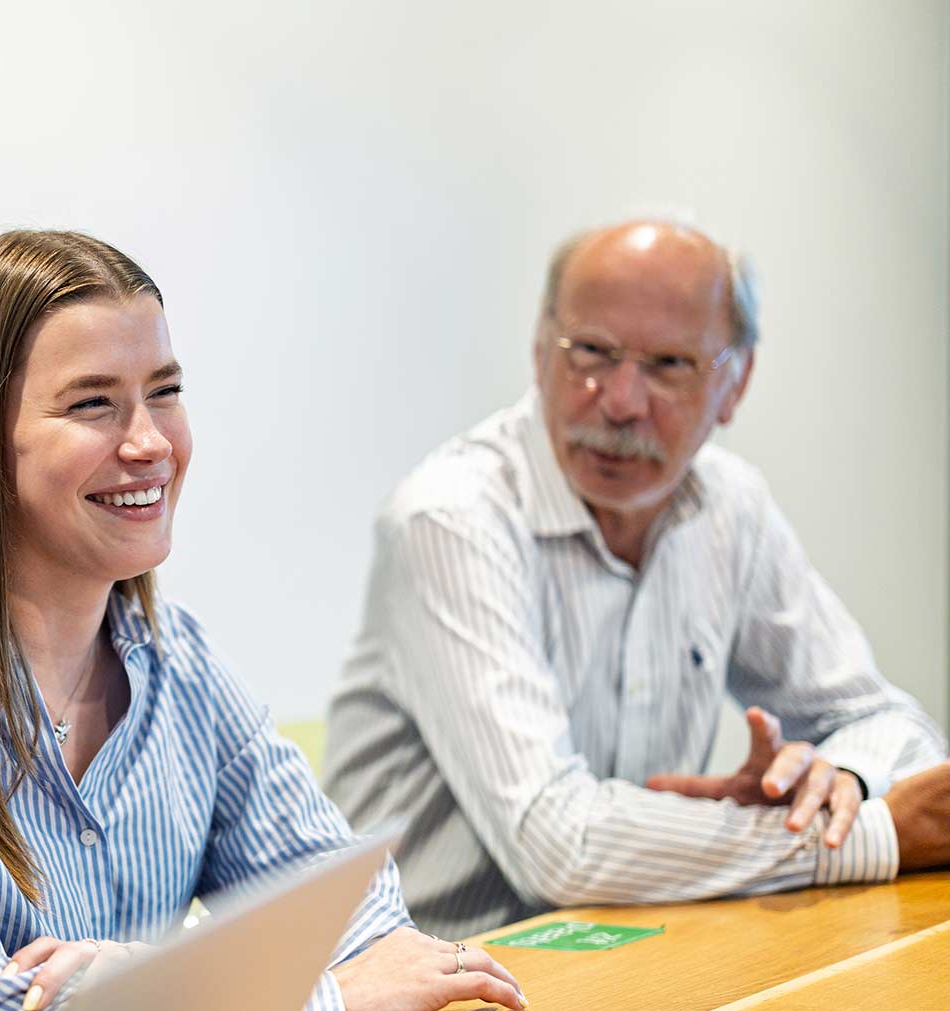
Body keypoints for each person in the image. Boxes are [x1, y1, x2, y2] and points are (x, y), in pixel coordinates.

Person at [0, 229, 525, 1011]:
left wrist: (151, 993)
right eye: (92, 404)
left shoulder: (175, 660)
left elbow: (362, 928)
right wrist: (312, 1004)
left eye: (166, 391)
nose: (150, 442)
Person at [323, 218, 950, 940]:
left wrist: (836, 790)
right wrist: (871, 838)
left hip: (614, 960)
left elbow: (888, 724)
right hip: (417, 991)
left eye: (668, 366)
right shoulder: (451, 518)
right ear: (539, 353)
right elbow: (559, 847)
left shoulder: (730, 509)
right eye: (591, 352)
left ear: (734, 384)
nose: (620, 401)